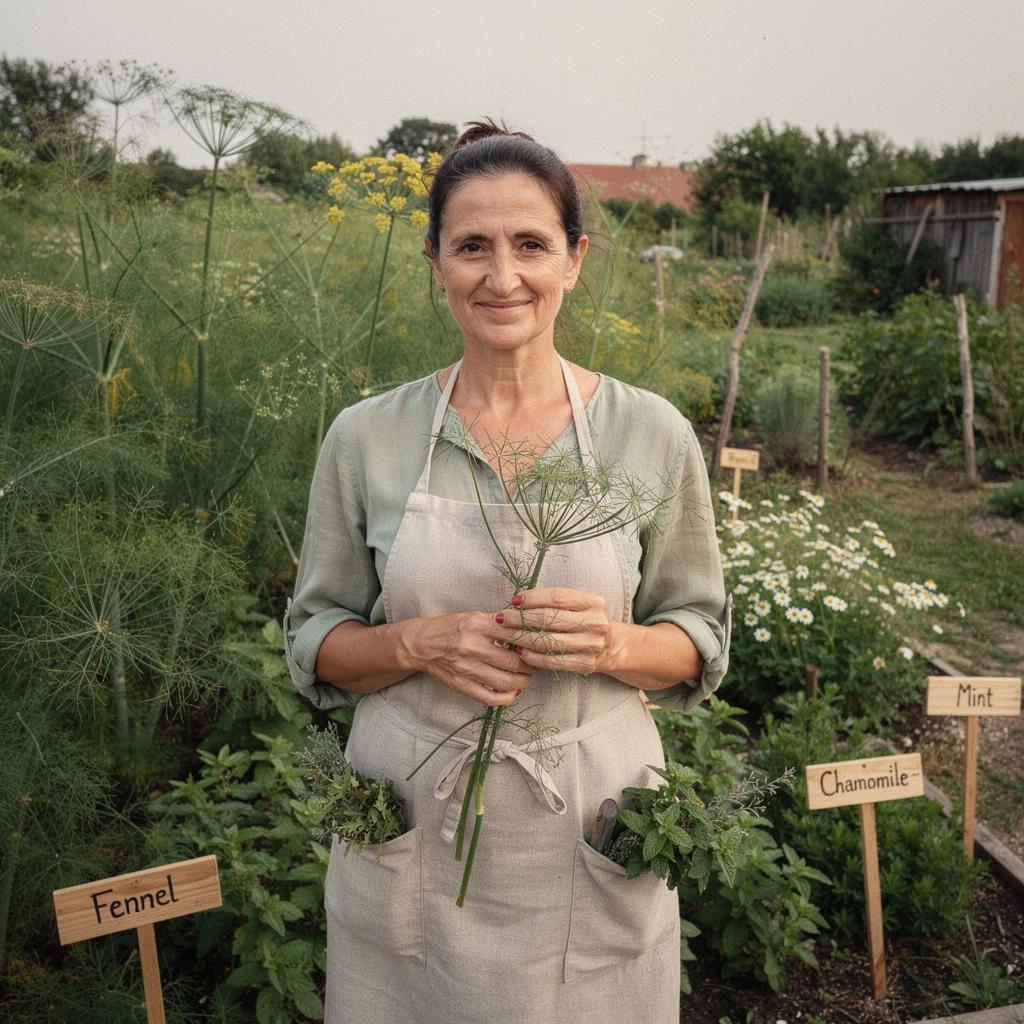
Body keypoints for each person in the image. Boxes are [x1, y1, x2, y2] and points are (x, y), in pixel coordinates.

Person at [284, 120, 731, 1024]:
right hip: (413, 816)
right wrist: (414, 643)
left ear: (575, 258)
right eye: (472, 247)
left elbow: (699, 640)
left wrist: (609, 645)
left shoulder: (652, 434)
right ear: (435, 261)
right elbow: (315, 639)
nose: (503, 276)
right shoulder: (366, 436)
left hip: (584, 824)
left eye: (531, 244)